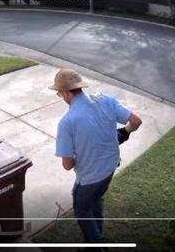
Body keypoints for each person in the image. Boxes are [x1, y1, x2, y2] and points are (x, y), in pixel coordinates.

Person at [49, 68, 142, 248]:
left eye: (59, 93)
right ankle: (96, 236)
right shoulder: (106, 99)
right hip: (110, 169)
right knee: (97, 199)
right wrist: (123, 133)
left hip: (89, 179)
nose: (61, 97)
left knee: (82, 210)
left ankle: (97, 244)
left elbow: (67, 165)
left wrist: (81, 152)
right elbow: (136, 121)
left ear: (67, 93)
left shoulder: (67, 122)